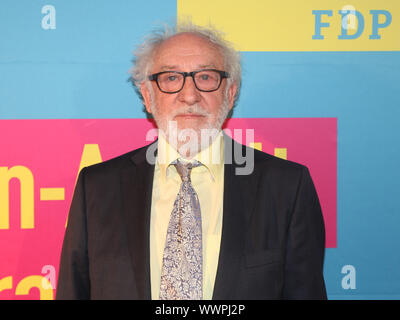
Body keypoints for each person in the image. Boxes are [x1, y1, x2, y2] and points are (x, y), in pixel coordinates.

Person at [56, 21, 327, 300]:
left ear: (230, 93)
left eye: (206, 77)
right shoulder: (98, 188)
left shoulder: (286, 187)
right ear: (148, 97)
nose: (189, 95)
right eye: (171, 78)